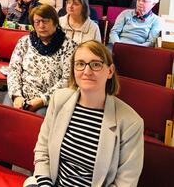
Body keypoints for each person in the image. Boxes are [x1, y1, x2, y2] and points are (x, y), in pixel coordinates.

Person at [28, 41, 143, 186]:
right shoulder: (59, 100)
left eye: (96, 64)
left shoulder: (131, 123)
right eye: (80, 64)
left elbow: (125, 182)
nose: (87, 71)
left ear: (110, 71)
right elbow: (42, 151)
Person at [5, 4, 76, 116]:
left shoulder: (69, 46)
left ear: (55, 22)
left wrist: (41, 100)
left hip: (48, 100)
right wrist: (16, 96)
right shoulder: (24, 42)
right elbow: (14, 69)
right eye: (37, 22)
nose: (41, 25)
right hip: (20, 94)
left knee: (37, 123)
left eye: (45, 21)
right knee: (6, 117)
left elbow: (68, 79)